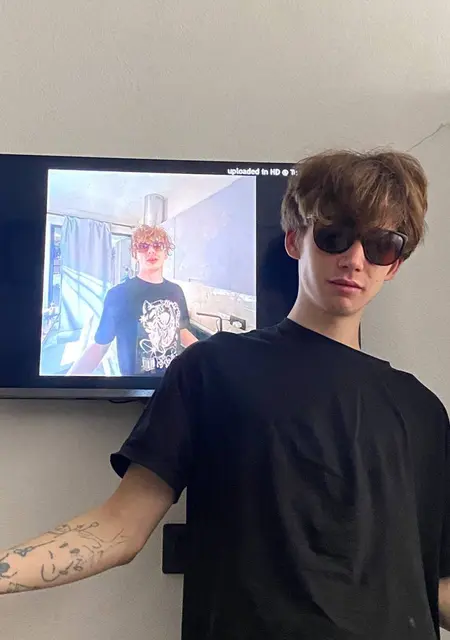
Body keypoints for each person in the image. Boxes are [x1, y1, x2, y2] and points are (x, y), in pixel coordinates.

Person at [1, 149, 450, 639]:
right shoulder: (212, 370)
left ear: (395, 265)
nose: (355, 259)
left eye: (381, 245)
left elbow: (435, 584)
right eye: (335, 235)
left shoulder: (422, 411)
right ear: (296, 239)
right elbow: (119, 528)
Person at [68, 224, 198, 376]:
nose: (151, 251)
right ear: (135, 254)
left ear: (166, 253)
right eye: (143, 246)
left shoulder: (176, 291)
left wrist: (209, 353)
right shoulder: (118, 294)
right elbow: (100, 346)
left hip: (173, 380)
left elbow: (181, 330)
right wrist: (65, 383)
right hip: (134, 386)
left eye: (157, 245)